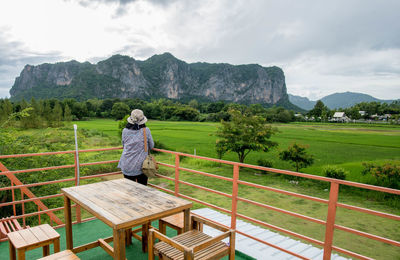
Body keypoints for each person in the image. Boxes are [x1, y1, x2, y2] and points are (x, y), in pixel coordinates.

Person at [118, 109, 154, 185]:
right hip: (140, 167)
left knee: (129, 189)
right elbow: (151, 146)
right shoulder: (146, 130)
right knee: (142, 190)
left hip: (126, 164)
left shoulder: (125, 131)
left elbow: (124, 145)